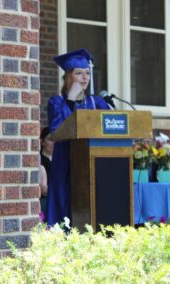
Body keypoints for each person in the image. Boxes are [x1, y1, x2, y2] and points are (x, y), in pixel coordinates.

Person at [46, 48, 110, 226]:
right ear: (68, 77)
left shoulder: (97, 102)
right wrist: (70, 99)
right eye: (79, 73)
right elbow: (56, 130)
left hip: (94, 159)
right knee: (66, 201)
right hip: (67, 159)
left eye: (87, 73)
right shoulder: (56, 102)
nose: (85, 78)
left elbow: (111, 126)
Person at [39, 127, 54, 220]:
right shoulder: (39, 160)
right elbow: (43, 189)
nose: (53, 143)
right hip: (46, 200)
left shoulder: (60, 160)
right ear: (42, 142)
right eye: (50, 139)